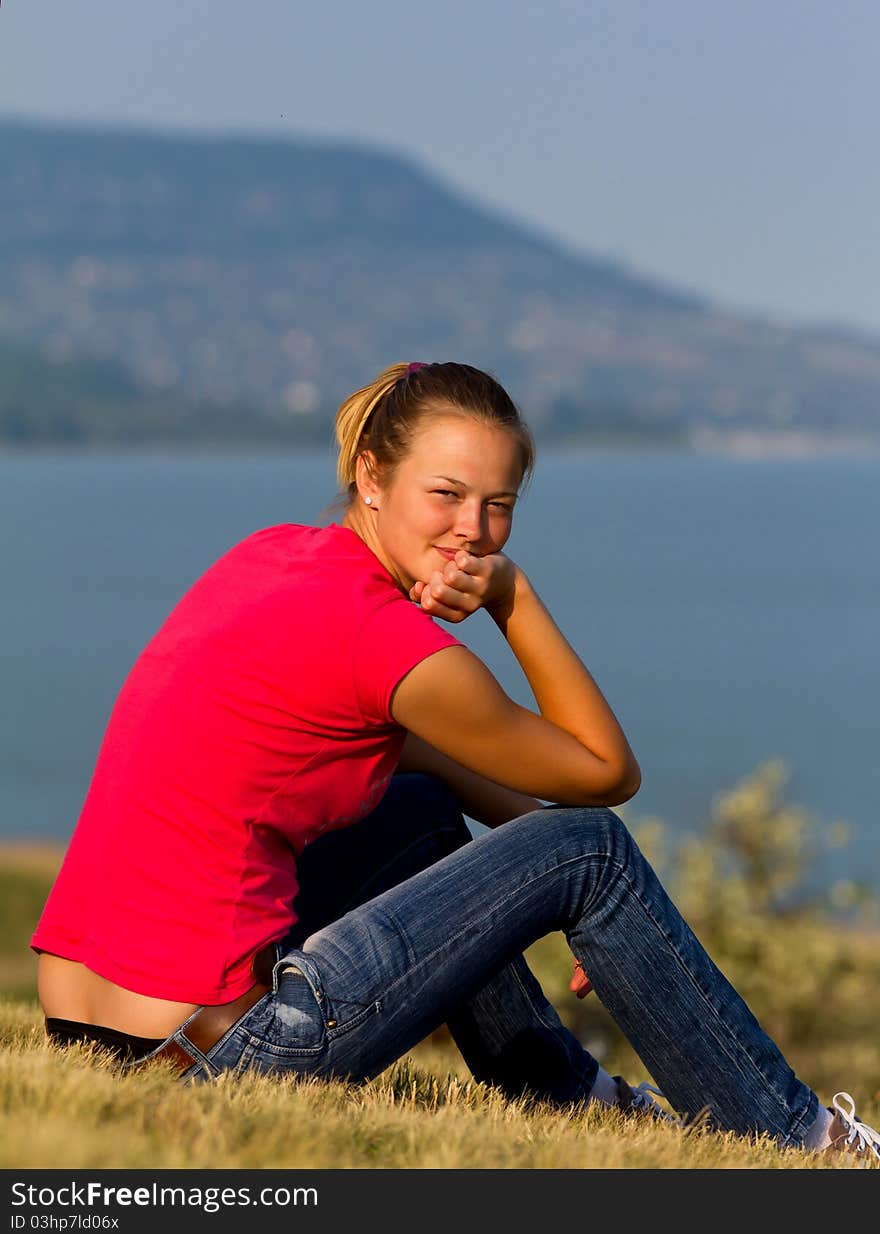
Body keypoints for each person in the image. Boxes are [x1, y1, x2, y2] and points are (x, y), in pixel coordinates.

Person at [32, 360, 878, 1163]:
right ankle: (798, 1138)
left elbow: (411, 751)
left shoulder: (275, 558)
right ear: (372, 476)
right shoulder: (385, 638)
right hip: (226, 1054)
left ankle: (565, 1092)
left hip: (95, 1030)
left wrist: (563, 898)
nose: (471, 530)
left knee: (425, 816)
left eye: (497, 504)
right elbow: (605, 775)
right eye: (447, 494)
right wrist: (512, 596)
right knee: (595, 848)